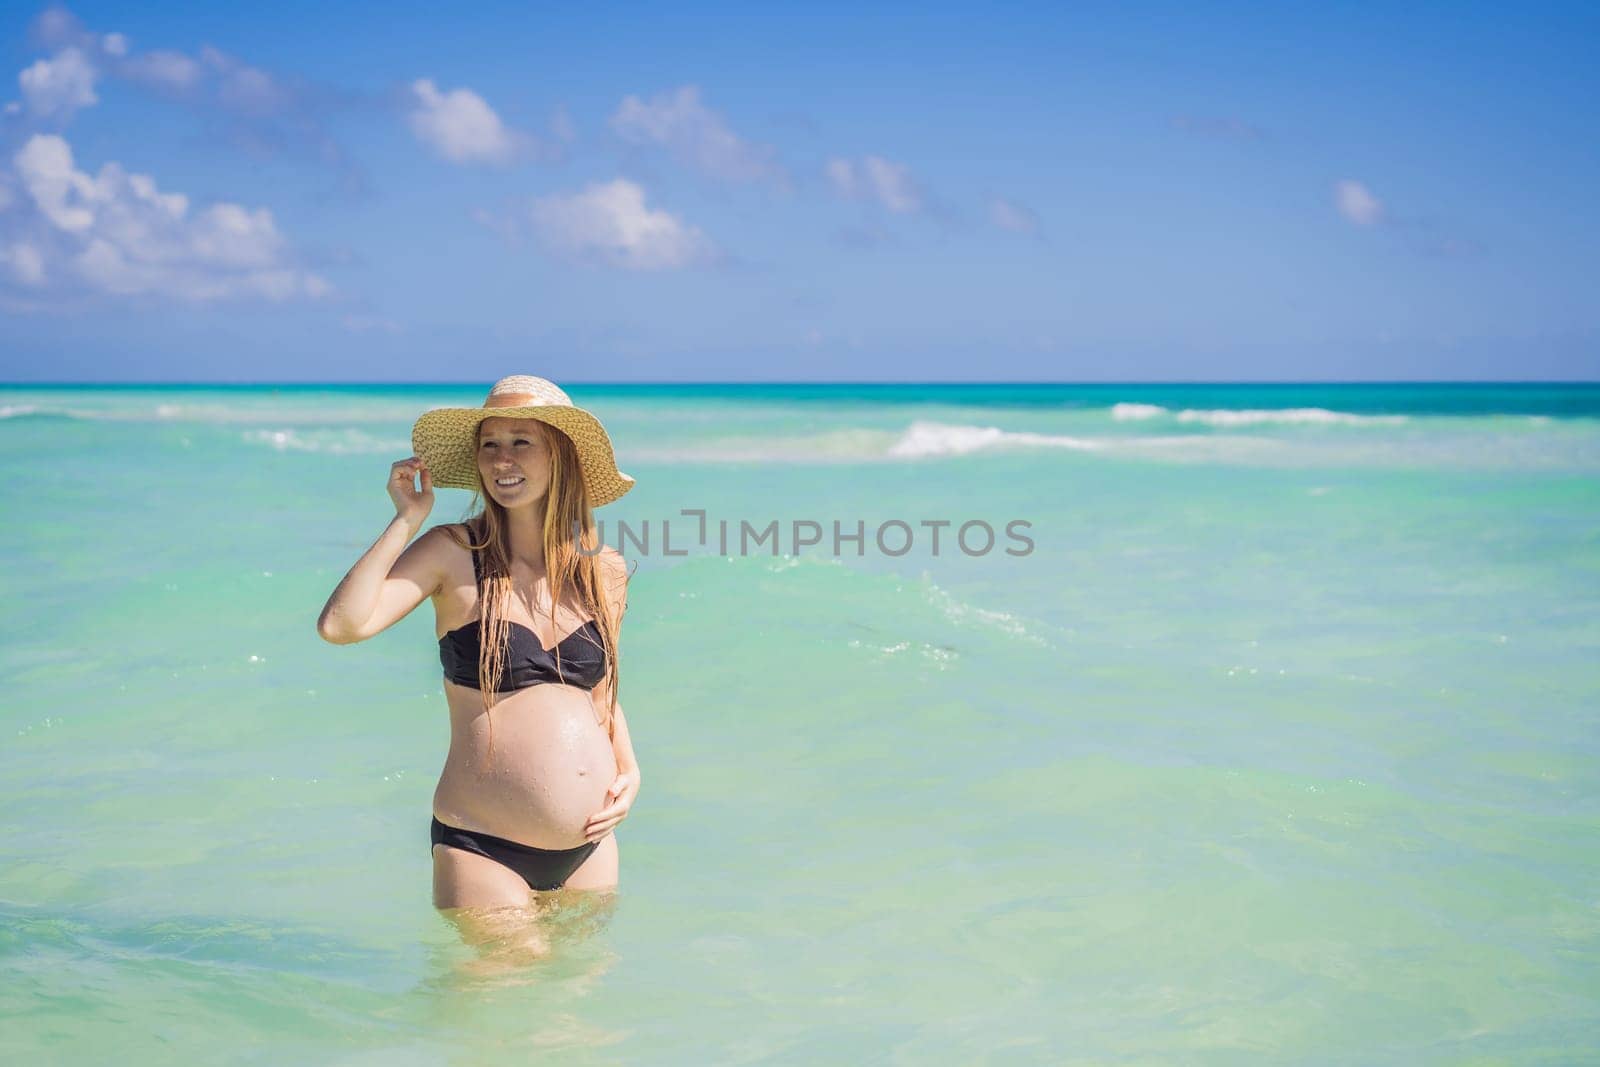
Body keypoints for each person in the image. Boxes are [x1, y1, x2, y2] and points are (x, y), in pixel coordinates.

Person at [317, 375, 640, 913]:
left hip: (592, 846)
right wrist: (406, 520)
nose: (501, 459)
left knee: (574, 996)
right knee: (497, 995)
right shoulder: (453, 551)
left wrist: (630, 772)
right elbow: (343, 626)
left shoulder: (602, 569)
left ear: (560, 455)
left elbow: (603, 695)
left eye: (521, 442)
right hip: (483, 846)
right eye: (489, 444)